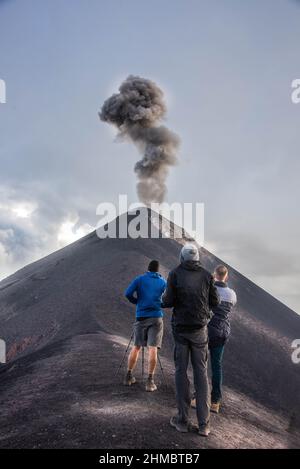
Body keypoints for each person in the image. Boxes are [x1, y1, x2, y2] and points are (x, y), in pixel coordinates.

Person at [162, 244, 220, 437]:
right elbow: (216, 302)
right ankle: (204, 425)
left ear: (181, 257)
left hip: (180, 330)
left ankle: (182, 421)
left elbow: (168, 301)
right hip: (199, 330)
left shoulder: (174, 273)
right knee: (201, 374)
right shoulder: (206, 275)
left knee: (180, 372)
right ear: (197, 258)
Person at [124, 260, 167, 392]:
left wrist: (137, 302)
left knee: (136, 347)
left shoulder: (139, 279)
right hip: (156, 317)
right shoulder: (163, 282)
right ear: (158, 270)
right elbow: (168, 297)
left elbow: (127, 294)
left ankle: (128, 376)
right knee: (153, 348)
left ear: (148, 269)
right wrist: (160, 304)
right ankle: (150, 381)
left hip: (141, 316)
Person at [204, 264, 237, 413]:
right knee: (216, 366)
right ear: (226, 277)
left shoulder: (208, 289)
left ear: (214, 274)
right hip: (222, 333)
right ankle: (215, 401)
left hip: (206, 331)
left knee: (201, 365)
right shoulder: (232, 294)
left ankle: (199, 396)